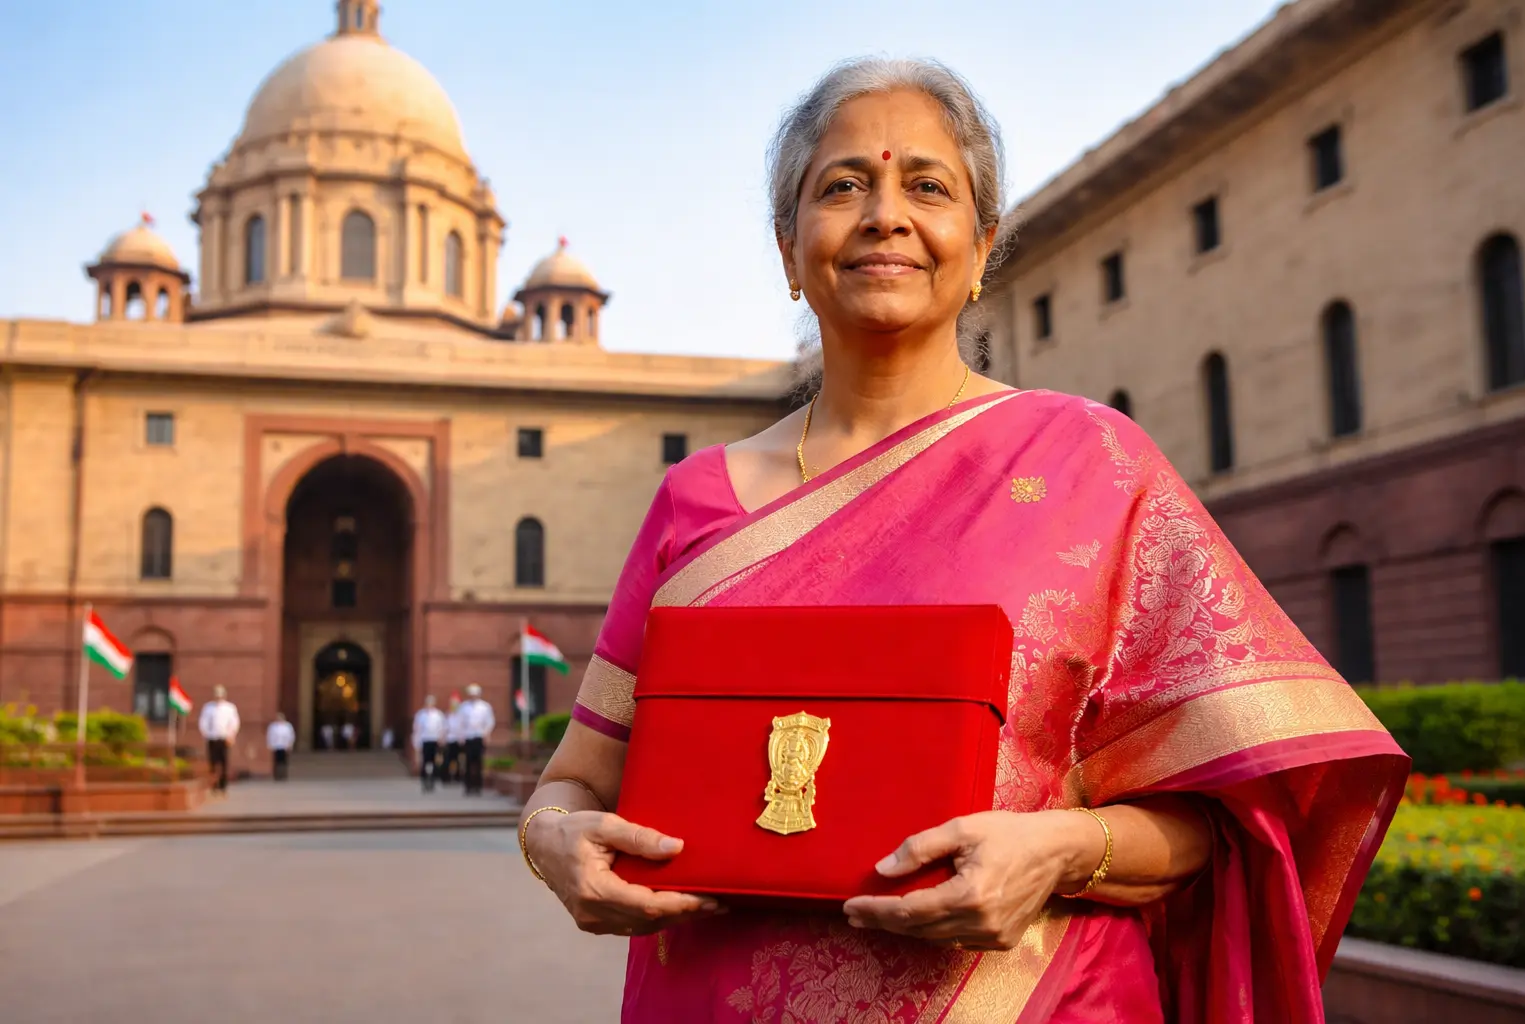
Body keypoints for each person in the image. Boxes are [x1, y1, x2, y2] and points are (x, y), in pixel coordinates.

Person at [516, 59, 1409, 1022]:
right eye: (843, 186)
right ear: (788, 250)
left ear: (981, 247)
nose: (884, 216)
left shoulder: (1093, 466)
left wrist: (1063, 850)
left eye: (927, 187)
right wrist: (552, 841)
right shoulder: (694, 500)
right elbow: (575, 780)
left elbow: (1221, 828)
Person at [198, 685, 241, 797]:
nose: (218, 697)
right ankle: (214, 785)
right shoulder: (208, 707)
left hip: (224, 738)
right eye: (217, 695)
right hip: (212, 738)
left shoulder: (230, 708)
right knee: (212, 762)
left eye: (220, 695)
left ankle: (223, 785)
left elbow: (234, 723)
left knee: (224, 762)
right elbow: (203, 722)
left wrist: (231, 735)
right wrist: (206, 734)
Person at [457, 684, 495, 797]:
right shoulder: (464, 707)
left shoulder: (485, 707)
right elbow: (460, 722)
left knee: (478, 762)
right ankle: (468, 786)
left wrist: (487, 734)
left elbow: (489, 722)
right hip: (468, 737)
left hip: (479, 736)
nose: (473, 696)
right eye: (471, 694)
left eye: (475, 694)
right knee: (468, 762)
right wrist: (461, 736)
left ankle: (478, 786)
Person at [412, 695, 447, 793]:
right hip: (425, 740)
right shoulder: (420, 715)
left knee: (434, 762)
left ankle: (432, 782)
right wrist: (416, 743)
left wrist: (441, 739)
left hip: (435, 740)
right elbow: (417, 730)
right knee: (425, 762)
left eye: (431, 703)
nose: (429, 705)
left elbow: (442, 728)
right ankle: (424, 782)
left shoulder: (438, 715)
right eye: (428, 703)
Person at [265, 711, 295, 782]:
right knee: (276, 761)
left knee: (284, 761)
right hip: (276, 746)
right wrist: (270, 744)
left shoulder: (288, 726)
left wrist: (290, 744)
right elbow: (270, 735)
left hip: (284, 746)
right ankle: (277, 775)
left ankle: (283, 775)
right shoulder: (273, 726)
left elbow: (291, 736)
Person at [443, 694, 464, 785]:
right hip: (449, 739)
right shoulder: (447, 715)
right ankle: (446, 777)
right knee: (447, 759)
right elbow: (444, 727)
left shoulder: (461, 716)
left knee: (457, 759)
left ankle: (457, 776)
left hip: (458, 740)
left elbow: (463, 728)